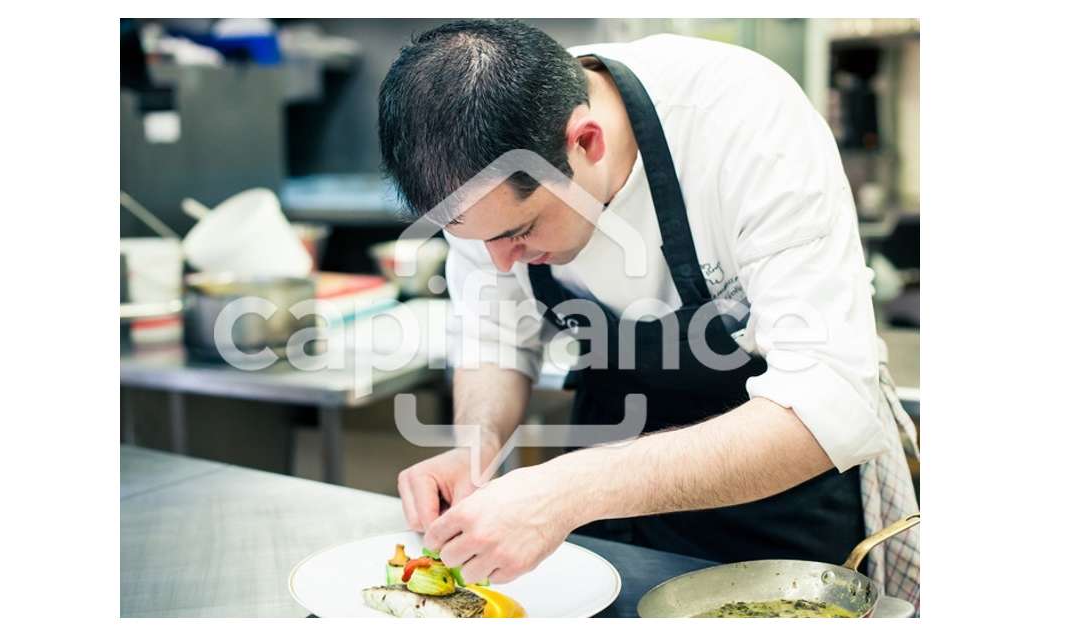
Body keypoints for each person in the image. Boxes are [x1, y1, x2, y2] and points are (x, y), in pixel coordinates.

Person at [378, 19, 920, 607]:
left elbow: (829, 406)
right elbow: (497, 333)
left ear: (586, 143)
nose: (501, 264)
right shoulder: (480, 171)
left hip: (777, 520)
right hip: (606, 509)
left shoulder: (743, 124)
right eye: (477, 241)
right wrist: (474, 452)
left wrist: (567, 490)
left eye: (521, 231)